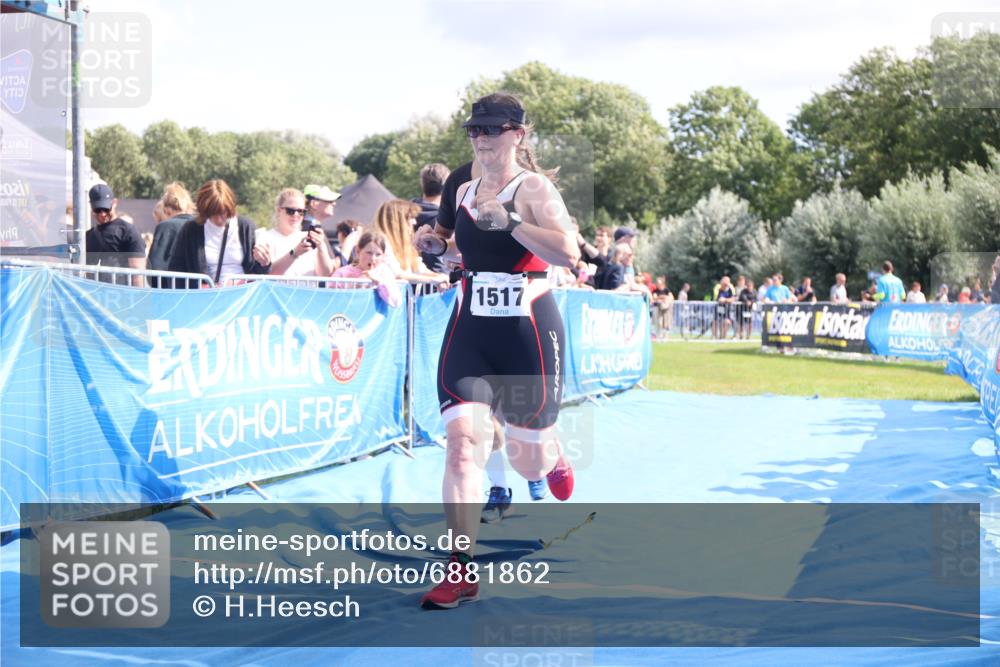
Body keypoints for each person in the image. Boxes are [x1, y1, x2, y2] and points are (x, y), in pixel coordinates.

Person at [412, 92, 578, 609]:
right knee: (463, 445)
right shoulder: (460, 186)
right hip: (472, 329)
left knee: (528, 464)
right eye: (474, 130)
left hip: (527, 331)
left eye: (491, 129)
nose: (481, 139)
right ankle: (460, 570)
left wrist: (509, 222)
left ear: (517, 134)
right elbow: (449, 243)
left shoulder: (534, 188)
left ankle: (549, 454)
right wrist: (433, 246)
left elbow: (568, 252)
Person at [167, 179, 269, 287]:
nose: (220, 219)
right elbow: (176, 269)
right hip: (206, 299)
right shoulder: (191, 229)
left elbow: (259, 273)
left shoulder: (246, 227)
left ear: (230, 207)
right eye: (213, 214)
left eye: (223, 213)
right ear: (205, 211)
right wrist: (197, 287)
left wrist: (264, 262)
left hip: (241, 296)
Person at [256, 188, 334, 277]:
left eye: (301, 211)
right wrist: (295, 253)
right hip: (278, 290)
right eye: (290, 211)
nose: (296, 215)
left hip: (308, 290)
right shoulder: (265, 237)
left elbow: (325, 275)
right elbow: (269, 273)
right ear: (278, 211)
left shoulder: (309, 237)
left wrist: (321, 247)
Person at [373, 199, 449, 284]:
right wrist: (435, 280)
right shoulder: (381, 242)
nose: (414, 222)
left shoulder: (405, 243)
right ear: (397, 220)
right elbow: (397, 274)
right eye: (410, 217)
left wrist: (440, 277)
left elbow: (418, 269)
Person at [85, 183, 146, 286]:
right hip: (94, 296)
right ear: (91, 205)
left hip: (122, 295)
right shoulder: (88, 235)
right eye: (98, 209)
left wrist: (138, 298)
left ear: (115, 203)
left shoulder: (128, 232)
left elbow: (137, 274)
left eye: (106, 208)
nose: (102, 214)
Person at [331, 229, 401, 307]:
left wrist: (379, 282)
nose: (373, 258)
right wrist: (355, 286)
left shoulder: (384, 272)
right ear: (358, 251)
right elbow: (331, 301)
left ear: (383, 256)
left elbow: (396, 302)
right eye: (369, 253)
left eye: (378, 254)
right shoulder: (342, 273)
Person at [147, 182, 197, 287]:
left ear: (167, 210)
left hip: (170, 293)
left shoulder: (165, 226)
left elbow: (155, 266)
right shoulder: (200, 225)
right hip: (197, 290)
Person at [413, 163, 450, 273]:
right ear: (446, 184)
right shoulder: (448, 218)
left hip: (411, 280)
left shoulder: (403, 213)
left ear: (422, 183)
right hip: (440, 280)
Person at [714, 275, 736, 339]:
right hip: (718, 308)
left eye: (727, 282)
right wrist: (726, 300)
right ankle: (716, 337)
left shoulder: (730, 289)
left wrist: (726, 300)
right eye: (724, 282)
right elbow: (719, 299)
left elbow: (733, 298)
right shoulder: (718, 288)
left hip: (727, 309)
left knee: (727, 322)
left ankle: (723, 336)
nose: (726, 283)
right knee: (716, 322)